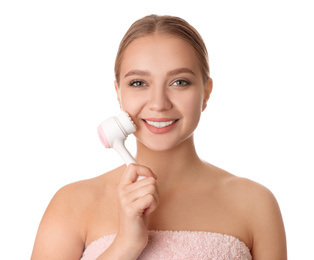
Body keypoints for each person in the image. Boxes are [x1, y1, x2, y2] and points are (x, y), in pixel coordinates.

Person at [31, 15, 287, 259]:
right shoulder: (72, 204)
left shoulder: (256, 204)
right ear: (118, 92)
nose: (159, 103)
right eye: (139, 83)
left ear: (206, 92)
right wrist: (124, 246)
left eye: (179, 82)